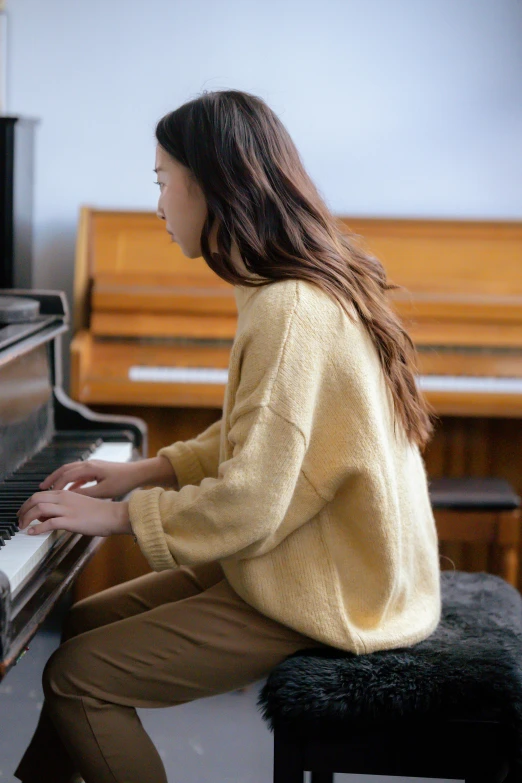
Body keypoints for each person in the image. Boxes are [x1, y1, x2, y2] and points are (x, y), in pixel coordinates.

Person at [14, 89, 441, 783]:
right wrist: (148, 470)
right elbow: (270, 438)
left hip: (331, 590)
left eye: (162, 182)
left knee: (78, 676)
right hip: (323, 557)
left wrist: (119, 516)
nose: (156, 205)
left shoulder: (289, 308)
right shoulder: (290, 287)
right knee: (88, 624)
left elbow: (251, 500)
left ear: (211, 185)